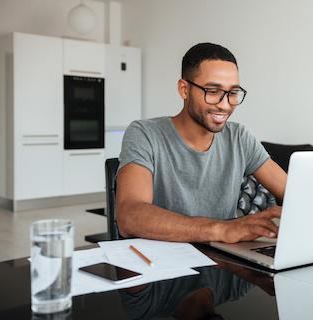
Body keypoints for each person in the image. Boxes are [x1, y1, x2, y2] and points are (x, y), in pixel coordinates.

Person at [116, 43, 287, 243]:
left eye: (232, 93)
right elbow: (129, 217)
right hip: (166, 264)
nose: (225, 105)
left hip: (224, 263)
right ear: (184, 89)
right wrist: (220, 230)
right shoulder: (145, 134)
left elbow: (294, 192)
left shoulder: (239, 137)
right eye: (213, 91)